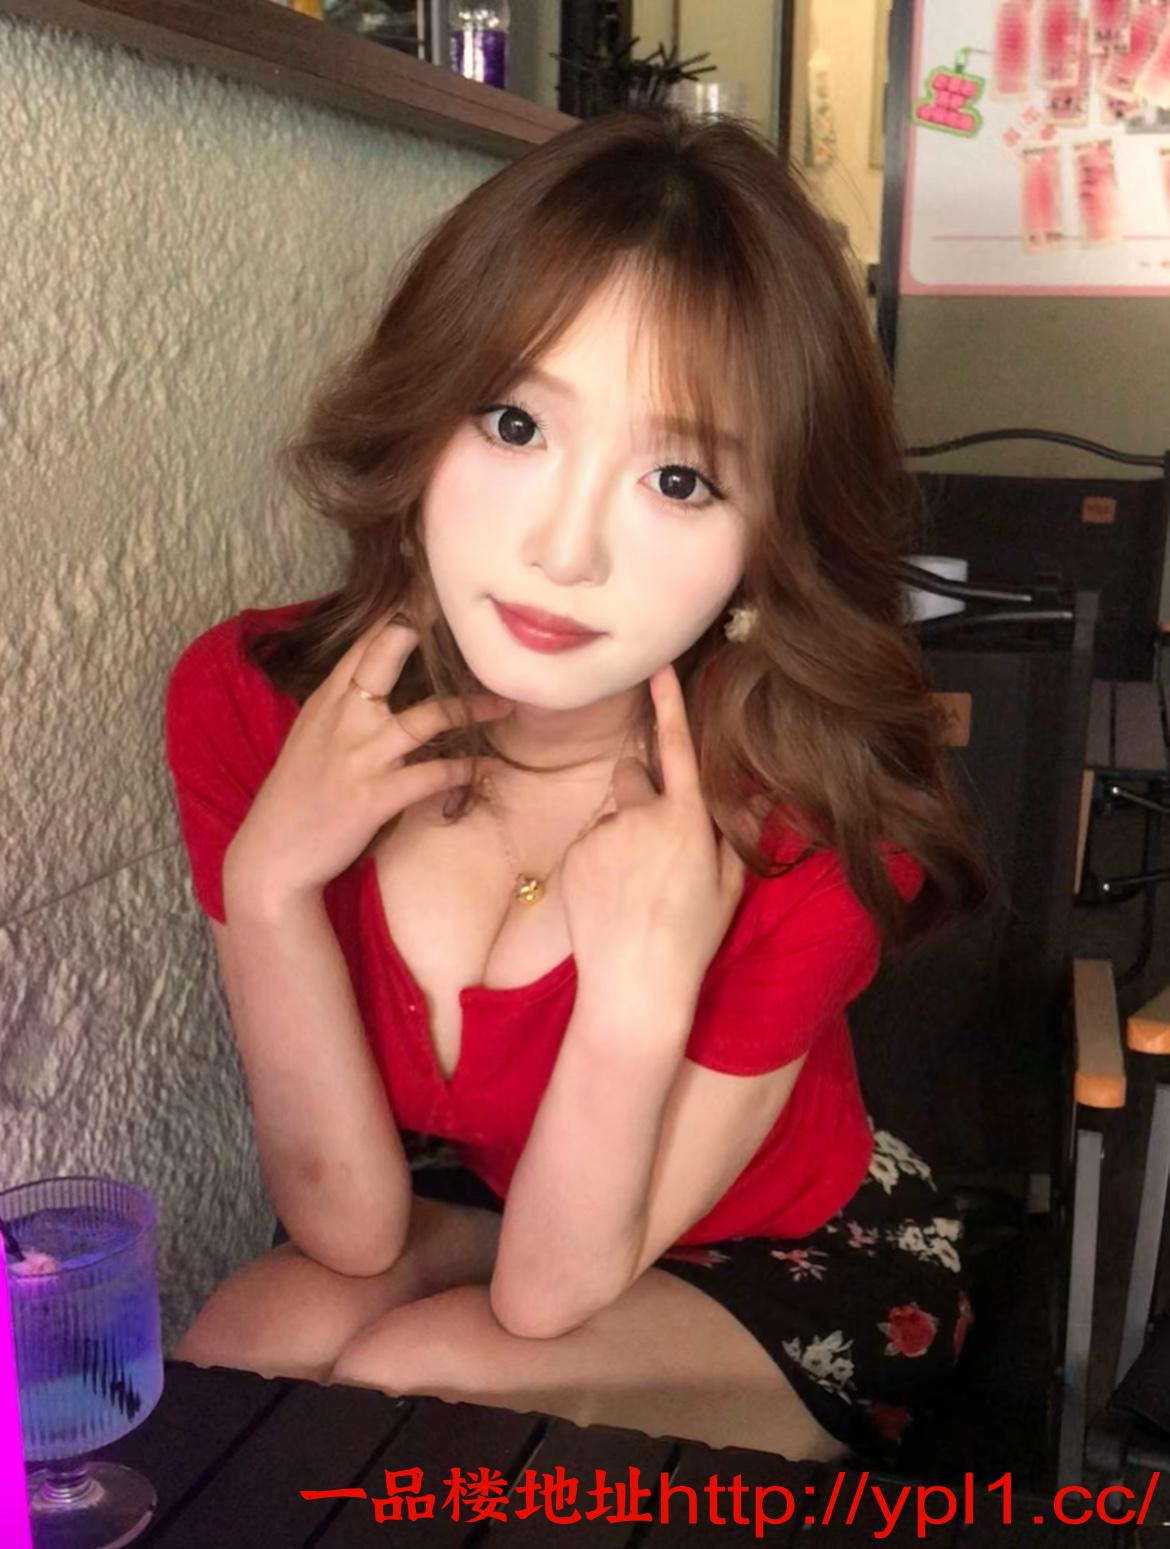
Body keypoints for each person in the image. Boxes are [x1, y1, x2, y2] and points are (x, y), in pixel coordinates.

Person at [164, 103, 992, 1468]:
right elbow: (349, 1227)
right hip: (489, 1204)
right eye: (513, 422)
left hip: (780, 1255)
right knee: (246, 1346)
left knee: (421, 1386)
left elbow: (549, 1294)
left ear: (769, 538)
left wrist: (640, 991)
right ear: (423, 417)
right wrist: (268, 883)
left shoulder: (805, 813)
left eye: (677, 478)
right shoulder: (255, 704)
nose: (563, 548)